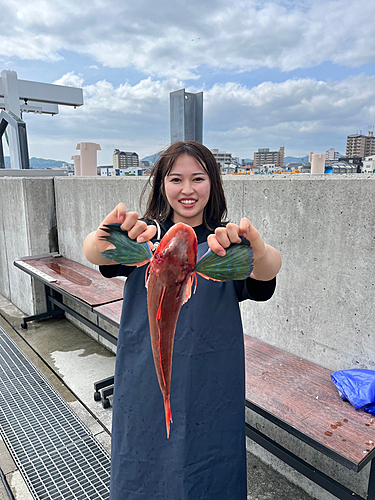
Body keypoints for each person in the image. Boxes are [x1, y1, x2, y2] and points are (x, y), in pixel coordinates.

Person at [83, 141, 282, 500]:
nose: (187, 190)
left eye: (198, 178)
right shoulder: (143, 238)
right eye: (176, 179)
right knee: (144, 460)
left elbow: (266, 276)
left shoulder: (225, 244)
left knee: (210, 463)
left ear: (213, 184)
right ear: (162, 184)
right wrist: (106, 233)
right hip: (144, 375)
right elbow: (95, 252)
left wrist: (259, 250)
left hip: (212, 381)